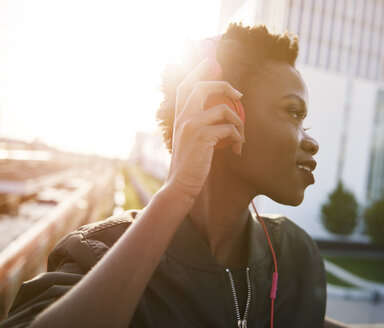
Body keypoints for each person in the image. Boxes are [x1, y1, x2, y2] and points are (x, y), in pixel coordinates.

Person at [0, 23, 349, 328]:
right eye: (293, 112)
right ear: (225, 112)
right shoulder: (95, 253)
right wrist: (176, 192)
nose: (312, 141)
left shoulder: (295, 256)